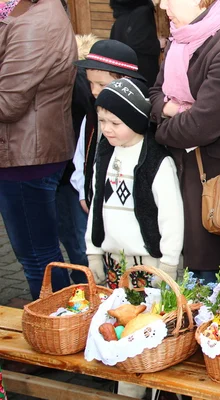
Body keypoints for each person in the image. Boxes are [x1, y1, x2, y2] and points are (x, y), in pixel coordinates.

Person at [150, 0, 220, 281]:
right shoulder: (181, 36)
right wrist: (170, 109)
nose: (162, 7)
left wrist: (160, 125)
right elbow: (153, 94)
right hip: (181, 172)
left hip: (214, 183)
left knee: (212, 283)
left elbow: (201, 125)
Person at [0, 0, 77, 300]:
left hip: (26, 157)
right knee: (43, 254)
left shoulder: (34, 23)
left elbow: (8, 102)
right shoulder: (30, 14)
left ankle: (58, 325)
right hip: (28, 150)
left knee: (37, 258)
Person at [86, 78, 183, 290]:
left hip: (149, 262)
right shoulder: (105, 153)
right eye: (102, 121)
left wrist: (169, 263)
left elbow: (171, 216)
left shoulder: (156, 160)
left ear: (135, 120)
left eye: (115, 123)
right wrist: (93, 252)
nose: (107, 129)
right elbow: (96, 204)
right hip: (113, 260)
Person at [71, 39, 146, 211]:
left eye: (101, 84)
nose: (94, 91)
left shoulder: (141, 118)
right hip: (97, 201)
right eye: (90, 83)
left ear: (127, 80)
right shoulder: (91, 117)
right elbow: (81, 156)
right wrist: (84, 192)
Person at [56, 34, 100, 285]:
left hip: (72, 176)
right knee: (73, 236)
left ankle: (89, 285)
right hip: (71, 176)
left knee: (79, 239)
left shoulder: (77, 80)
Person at [109, 0, 161, 85]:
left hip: (124, 68)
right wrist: (158, 44)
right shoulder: (143, 11)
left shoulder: (124, 10)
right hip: (140, 70)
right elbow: (138, 42)